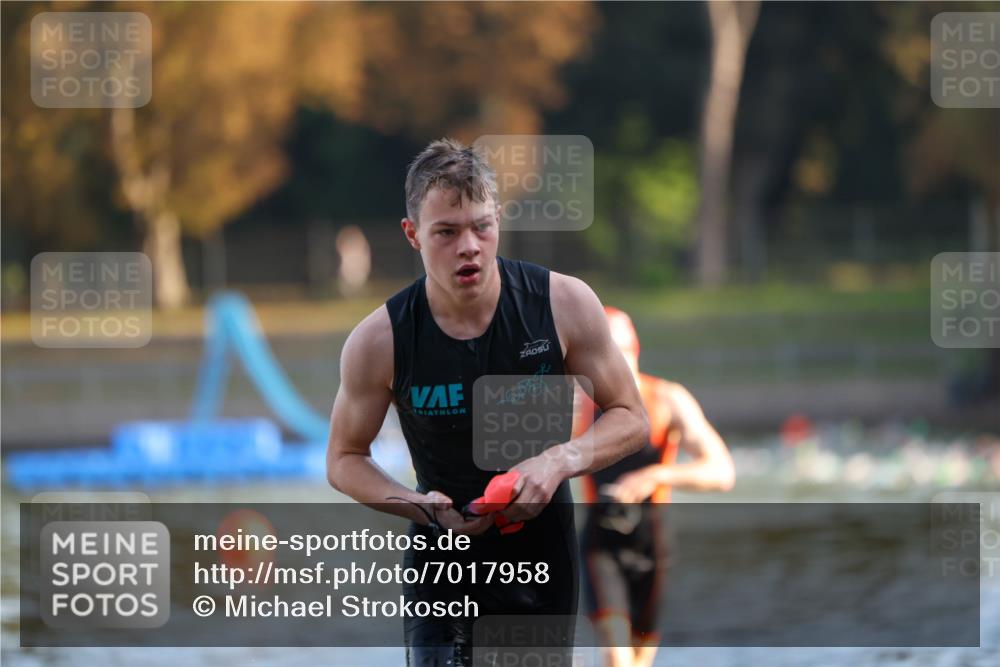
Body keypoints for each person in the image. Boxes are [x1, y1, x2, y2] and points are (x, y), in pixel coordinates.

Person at [326, 139, 650, 666]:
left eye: (481, 227)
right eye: (447, 232)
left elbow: (631, 417)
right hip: (441, 553)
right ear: (413, 234)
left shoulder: (562, 304)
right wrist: (417, 505)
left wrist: (559, 460)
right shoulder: (379, 340)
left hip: (540, 556)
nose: (469, 247)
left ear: (499, 218)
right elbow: (343, 459)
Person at [577, 306, 735, 667]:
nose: (615, 364)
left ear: (635, 349)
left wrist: (657, 475)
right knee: (616, 658)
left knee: (639, 659)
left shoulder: (668, 399)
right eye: (602, 354)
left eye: (621, 351)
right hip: (602, 544)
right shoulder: (579, 405)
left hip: (654, 543)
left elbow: (722, 471)